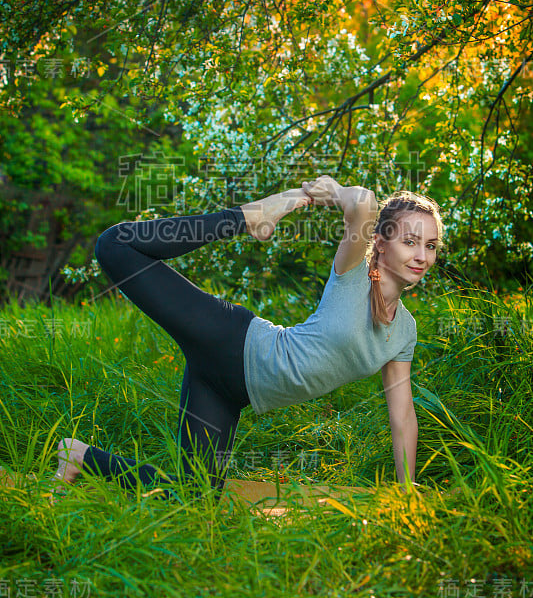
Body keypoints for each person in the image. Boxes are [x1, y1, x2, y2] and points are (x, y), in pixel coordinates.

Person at [52, 176, 444, 503]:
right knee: (115, 246)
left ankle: (79, 457)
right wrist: (329, 190)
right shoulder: (353, 272)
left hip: (229, 390)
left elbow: (403, 416)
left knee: (196, 500)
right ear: (380, 241)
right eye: (409, 241)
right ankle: (247, 217)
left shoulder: (404, 331)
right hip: (231, 341)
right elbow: (363, 201)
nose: (421, 256)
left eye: (430, 245)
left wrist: (407, 491)